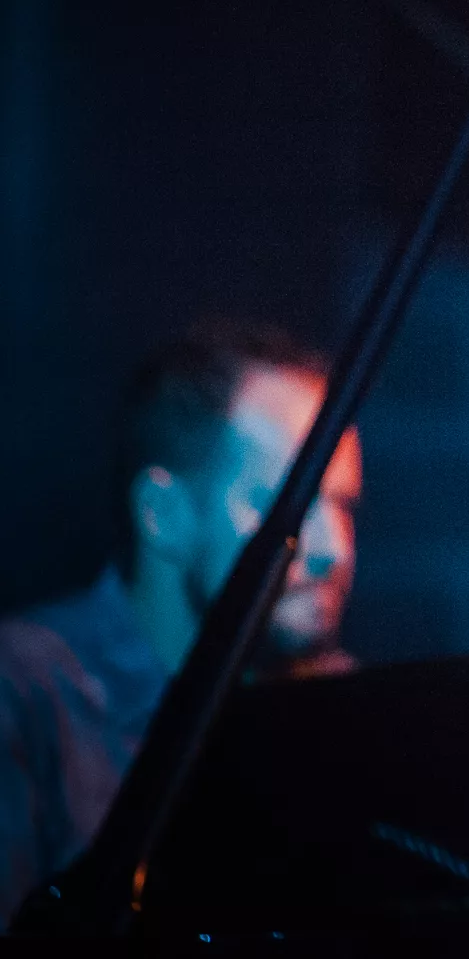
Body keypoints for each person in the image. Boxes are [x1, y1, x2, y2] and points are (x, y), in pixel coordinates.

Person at [0, 322, 361, 922]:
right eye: (285, 501)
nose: (334, 548)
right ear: (162, 512)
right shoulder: (25, 692)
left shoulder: (341, 707)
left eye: (344, 505)